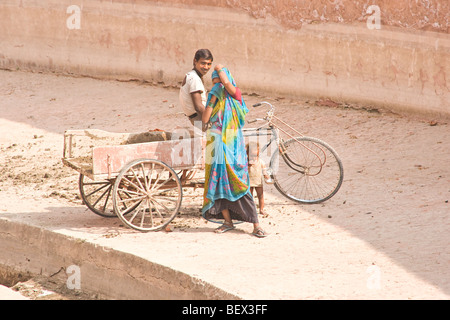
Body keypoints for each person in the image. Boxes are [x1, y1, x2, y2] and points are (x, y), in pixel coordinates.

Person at [201, 64, 267, 238]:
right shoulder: (220, 93)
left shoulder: (232, 92)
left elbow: (206, 117)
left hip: (231, 147)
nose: (218, 83)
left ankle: (256, 225)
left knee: (240, 184)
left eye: (219, 79)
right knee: (221, 183)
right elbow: (206, 118)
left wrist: (219, 69)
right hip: (218, 146)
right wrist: (214, 96)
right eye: (215, 80)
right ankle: (228, 222)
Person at [179, 49, 213, 134]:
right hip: (199, 117)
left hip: (197, 117)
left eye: (209, 64)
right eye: (203, 63)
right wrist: (213, 118)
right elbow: (198, 106)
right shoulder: (194, 79)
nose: (206, 67)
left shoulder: (192, 75)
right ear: (195, 61)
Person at [247, 141, 269, 217]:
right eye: (252, 155)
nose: (254, 158)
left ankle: (261, 209)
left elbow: (264, 169)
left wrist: (266, 175)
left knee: (261, 195)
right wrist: (248, 165)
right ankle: (251, 210)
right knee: (250, 196)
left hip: (258, 182)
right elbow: (243, 170)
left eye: (256, 155)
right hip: (249, 182)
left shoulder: (260, 161)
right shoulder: (246, 162)